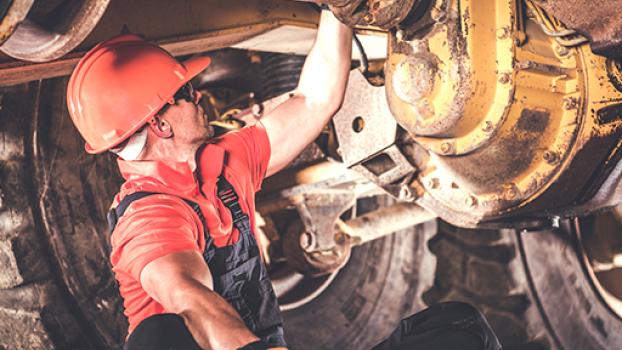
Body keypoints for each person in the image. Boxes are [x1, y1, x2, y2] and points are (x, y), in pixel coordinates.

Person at [67, 6, 504, 350]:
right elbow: (190, 301)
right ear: (159, 125)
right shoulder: (149, 218)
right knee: (161, 338)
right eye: (183, 93)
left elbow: (314, 100)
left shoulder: (222, 164)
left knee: (458, 331)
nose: (196, 94)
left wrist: (340, 10)